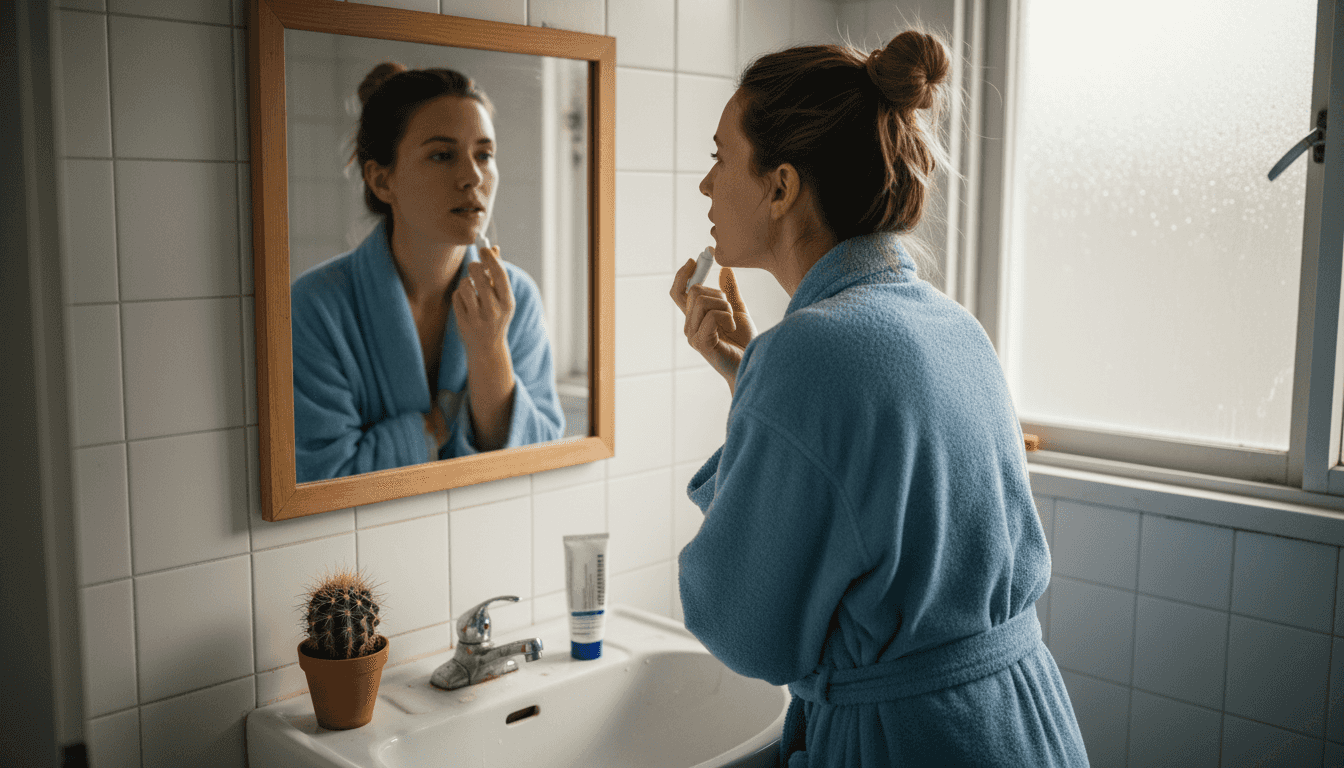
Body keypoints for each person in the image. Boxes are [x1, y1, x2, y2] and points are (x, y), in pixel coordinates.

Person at [670, 29, 1088, 767]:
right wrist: (746, 374)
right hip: (1021, 721)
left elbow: (744, 627)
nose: (706, 185)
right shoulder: (948, 323)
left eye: (719, 157)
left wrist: (766, 378)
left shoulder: (807, 355)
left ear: (780, 186)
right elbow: (874, 492)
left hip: (909, 743)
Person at [292, 63, 564, 483]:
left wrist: (490, 350)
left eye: (484, 155)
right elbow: (326, 476)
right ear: (382, 180)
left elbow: (538, 466)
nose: (473, 176)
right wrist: (434, 429)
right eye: (442, 155)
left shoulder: (517, 298)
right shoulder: (315, 309)